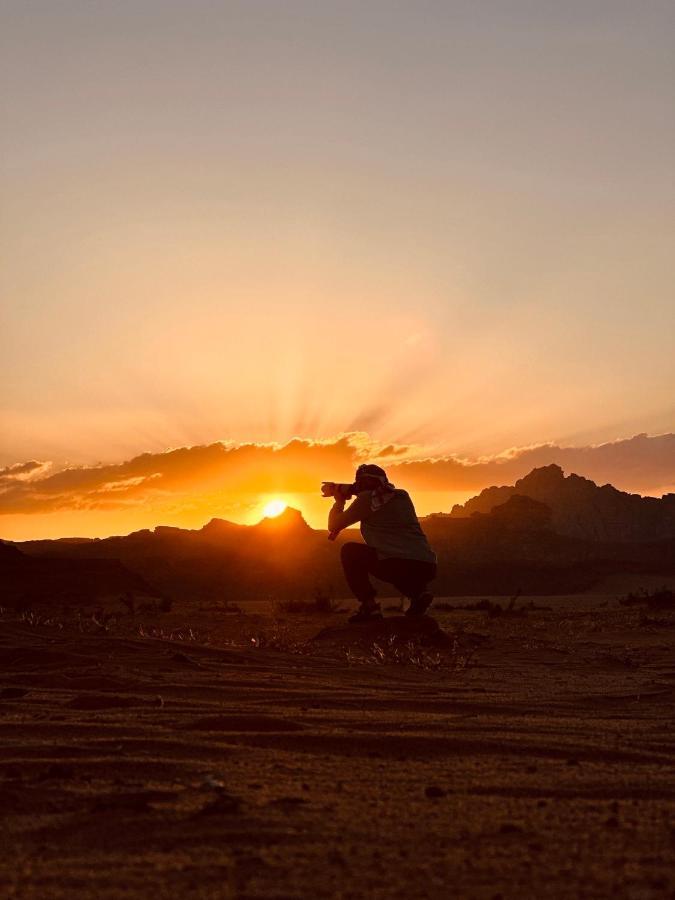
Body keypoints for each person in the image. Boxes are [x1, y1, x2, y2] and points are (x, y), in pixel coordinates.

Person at [327, 463, 437, 623]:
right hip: (427, 565)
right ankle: (418, 595)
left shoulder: (367, 500)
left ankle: (369, 607)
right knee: (396, 555)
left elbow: (334, 525)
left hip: (396, 564)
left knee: (350, 551)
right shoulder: (402, 496)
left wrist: (339, 500)